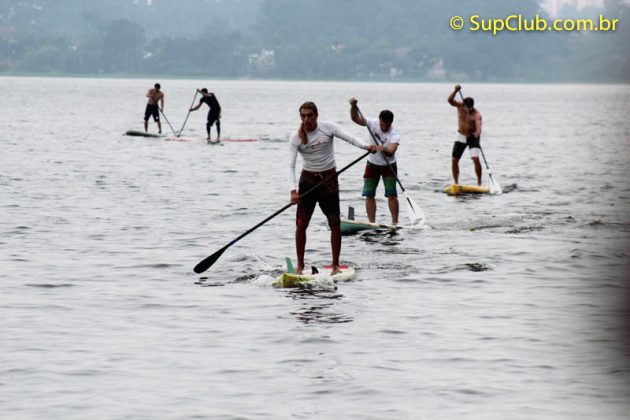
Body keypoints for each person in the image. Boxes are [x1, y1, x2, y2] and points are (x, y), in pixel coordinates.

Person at [288, 101, 377, 275]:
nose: (306, 119)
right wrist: (293, 191)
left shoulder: (327, 128)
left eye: (309, 115)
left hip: (329, 181)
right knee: (301, 225)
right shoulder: (296, 137)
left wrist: (366, 147)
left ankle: (335, 266)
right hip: (308, 183)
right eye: (303, 116)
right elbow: (290, 165)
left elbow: (351, 138)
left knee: (335, 224)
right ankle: (300, 265)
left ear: (316, 115)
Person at [349, 97, 400, 226]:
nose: (384, 127)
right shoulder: (372, 123)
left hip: (389, 166)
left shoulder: (395, 134)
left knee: (391, 195)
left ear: (391, 123)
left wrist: (381, 148)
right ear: (379, 120)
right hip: (372, 164)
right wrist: (353, 106)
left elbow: (391, 151)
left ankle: (394, 222)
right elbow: (355, 119)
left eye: (386, 126)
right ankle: (372, 222)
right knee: (369, 194)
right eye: (382, 124)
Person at [448, 84, 483, 185]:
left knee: (475, 159)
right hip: (461, 136)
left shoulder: (476, 114)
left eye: (470, 109)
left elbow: (479, 126)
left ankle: (479, 182)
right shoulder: (460, 106)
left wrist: (477, 133)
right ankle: (456, 182)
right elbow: (450, 100)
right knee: (455, 159)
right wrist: (455, 91)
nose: (468, 111)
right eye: (467, 108)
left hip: (473, 137)